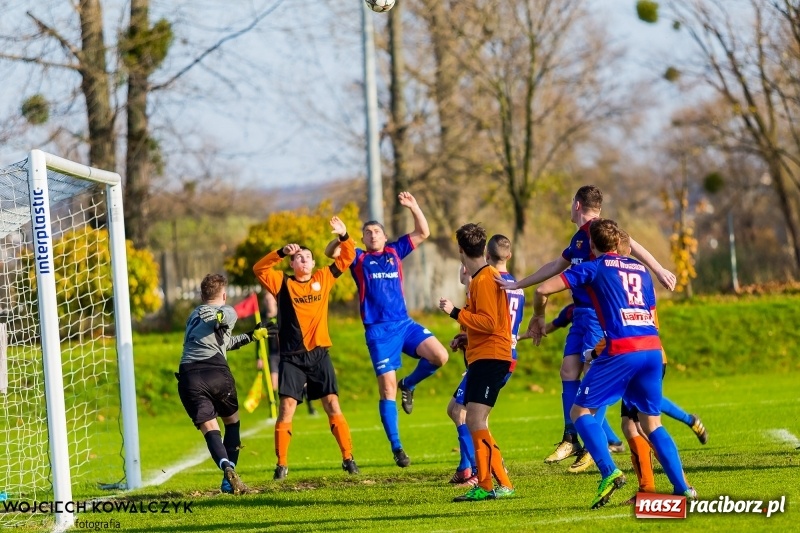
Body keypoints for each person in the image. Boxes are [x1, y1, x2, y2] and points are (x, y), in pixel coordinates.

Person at [497, 185, 676, 471]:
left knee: (594, 375)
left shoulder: (598, 232)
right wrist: (519, 284)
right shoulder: (579, 239)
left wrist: (658, 269)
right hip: (580, 312)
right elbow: (555, 265)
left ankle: (591, 442)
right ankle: (572, 436)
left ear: (576, 205)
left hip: (598, 313)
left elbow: (633, 245)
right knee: (568, 371)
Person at [531, 218, 695, 508]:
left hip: (622, 350)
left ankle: (609, 472)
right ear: (621, 244)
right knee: (652, 423)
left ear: (592, 246)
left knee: (580, 412)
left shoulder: (592, 267)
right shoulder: (641, 270)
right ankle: (683, 489)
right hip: (653, 348)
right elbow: (649, 311)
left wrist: (538, 317)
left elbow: (543, 290)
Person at [324, 192, 449, 468]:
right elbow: (331, 253)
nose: (372, 235)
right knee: (387, 389)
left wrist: (415, 206)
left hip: (404, 324)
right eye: (367, 232)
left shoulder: (395, 251)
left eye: (376, 231)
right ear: (363, 238)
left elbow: (423, 232)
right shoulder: (356, 258)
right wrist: (343, 236)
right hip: (379, 332)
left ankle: (411, 383)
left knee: (440, 356)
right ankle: (398, 447)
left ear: (383, 235)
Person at [253, 216, 359, 480]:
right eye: (299, 257)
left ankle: (348, 458)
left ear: (313, 263)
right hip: (291, 358)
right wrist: (279, 252)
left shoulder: (324, 277)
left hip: (319, 354)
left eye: (308, 257)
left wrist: (344, 235)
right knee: (287, 407)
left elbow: (347, 257)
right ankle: (282, 464)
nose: (304, 260)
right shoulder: (282, 282)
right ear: (292, 263)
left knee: (332, 404)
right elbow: (259, 269)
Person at [439, 223, 515, 502]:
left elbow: (490, 323)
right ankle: (502, 483)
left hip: (492, 357)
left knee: (474, 419)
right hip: (483, 355)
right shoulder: (482, 278)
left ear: (460, 249)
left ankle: (485, 484)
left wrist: (455, 313)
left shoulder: (484, 279)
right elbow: (485, 323)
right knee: (476, 420)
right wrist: (465, 339)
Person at [176, 273, 269, 495]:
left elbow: (222, 342)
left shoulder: (192, 316)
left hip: (189, 374)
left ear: (201, 295)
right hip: (216, 372)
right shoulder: (227, 310)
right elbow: (224, 318)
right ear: (224, 295)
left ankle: (226, 466)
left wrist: (251, 336)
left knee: (210, 428)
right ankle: (228, 481)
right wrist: (220, 317)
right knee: (232, 423)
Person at [257, 292, 317, 416]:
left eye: (270, 299)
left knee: (301, 381)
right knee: (273, 382)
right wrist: (259, 357)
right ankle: (274, 409)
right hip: (273, 355)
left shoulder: (282, 315)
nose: (269, 302)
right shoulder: (263, 319)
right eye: (266, 300)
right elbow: (259, 341)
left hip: (287, 353)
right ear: (264, 302)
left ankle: (310, 407)